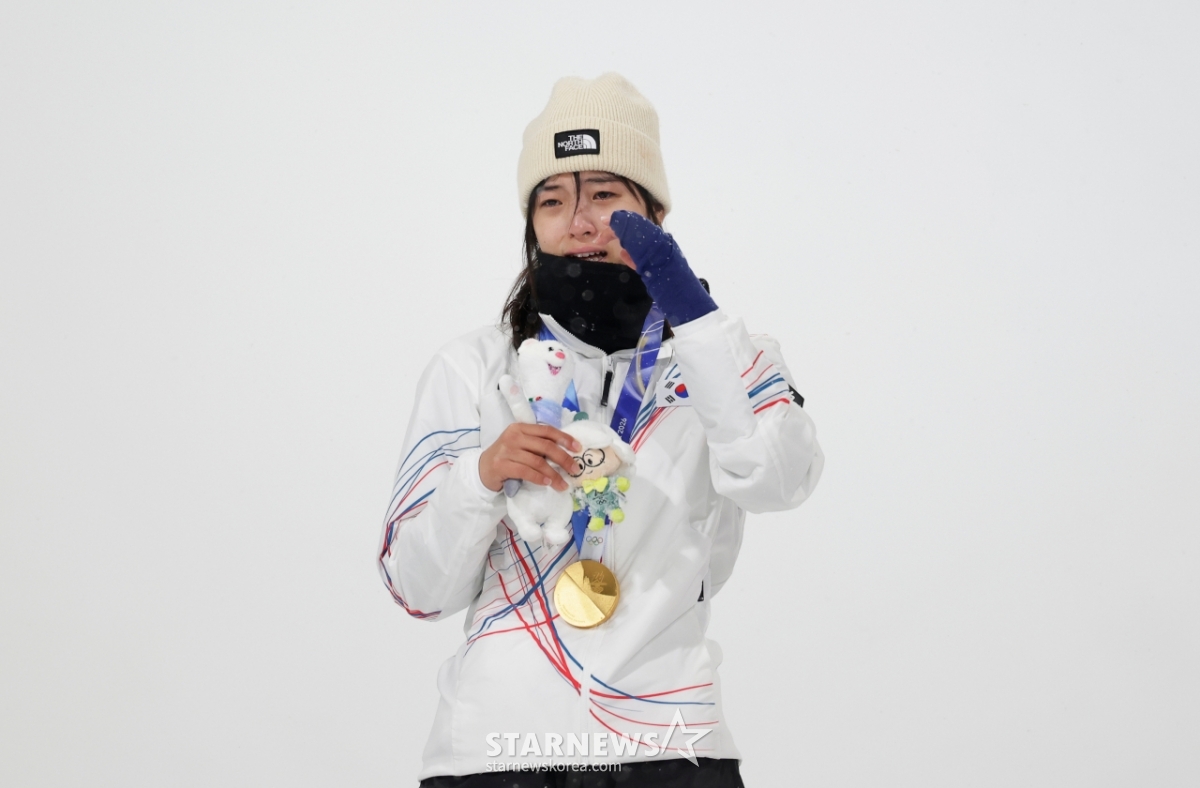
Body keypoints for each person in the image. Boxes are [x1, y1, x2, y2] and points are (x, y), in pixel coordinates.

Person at [378, 73, 824, 787]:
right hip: (496, 752)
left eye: (606, 195)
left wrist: (696, 320)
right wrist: (480, 477)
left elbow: (781, 479)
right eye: (552, 200)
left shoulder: (725, 357)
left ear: (653, 213)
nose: (579, 222)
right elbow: (416, 588)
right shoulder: (473, 368)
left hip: (671, 748)